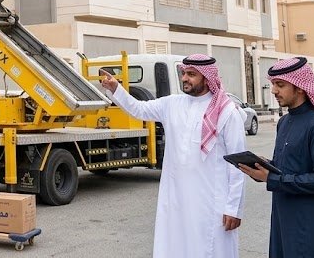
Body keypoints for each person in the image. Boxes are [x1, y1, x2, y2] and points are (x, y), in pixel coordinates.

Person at [99, 54, 246, 258]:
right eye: (183, 73)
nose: (185, 78)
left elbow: (238, 163)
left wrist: (234, 208)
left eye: (191, 74)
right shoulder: (172, 104)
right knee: (177, 247)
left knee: (212, 248)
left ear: (207, 78)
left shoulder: (227, 112)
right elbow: (139, 109)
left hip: (212, 202)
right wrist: (116, 89)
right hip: (177, 199)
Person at [237, 57, 314, 258]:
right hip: (285, 218)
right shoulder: (284, 122)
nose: (274, 91)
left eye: (280, 85)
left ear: (300, 87)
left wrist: (272, 179)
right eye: (273, 84)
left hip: (313, 224)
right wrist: (264, 167)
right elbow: (289, 167)